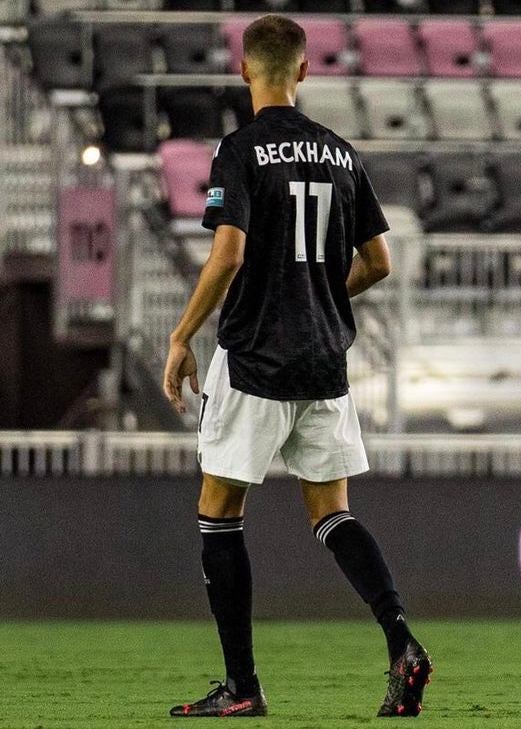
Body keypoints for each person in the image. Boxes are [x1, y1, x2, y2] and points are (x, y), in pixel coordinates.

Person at [162, 14, 431, 718]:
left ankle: (243, 685)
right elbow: (379, 262)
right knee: (332, 511)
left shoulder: (240, 148)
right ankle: (400, 639)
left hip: (254, 356)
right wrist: (314, 291)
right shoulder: (340, 152)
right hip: (323, 360)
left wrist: (181, 333)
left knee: (219, 512)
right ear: (305, 72)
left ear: (244, 70)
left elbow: (227, 254)